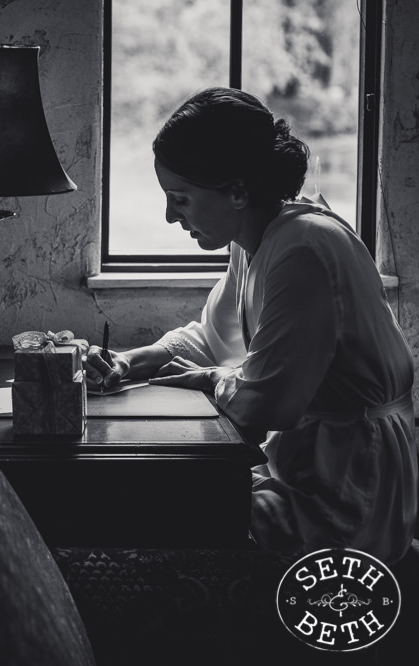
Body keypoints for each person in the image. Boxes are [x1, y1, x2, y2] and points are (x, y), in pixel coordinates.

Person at [84, 87, 418, 564]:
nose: (168, 216)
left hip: (349, 484)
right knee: (154, 502)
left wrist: (215, 380)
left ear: (238, 190)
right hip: (309, 467)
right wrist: (129, 361)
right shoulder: (254, 239)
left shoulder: (304, 248)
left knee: (159, 513)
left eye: (181, 199)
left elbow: (265, 405)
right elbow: (210, 338)